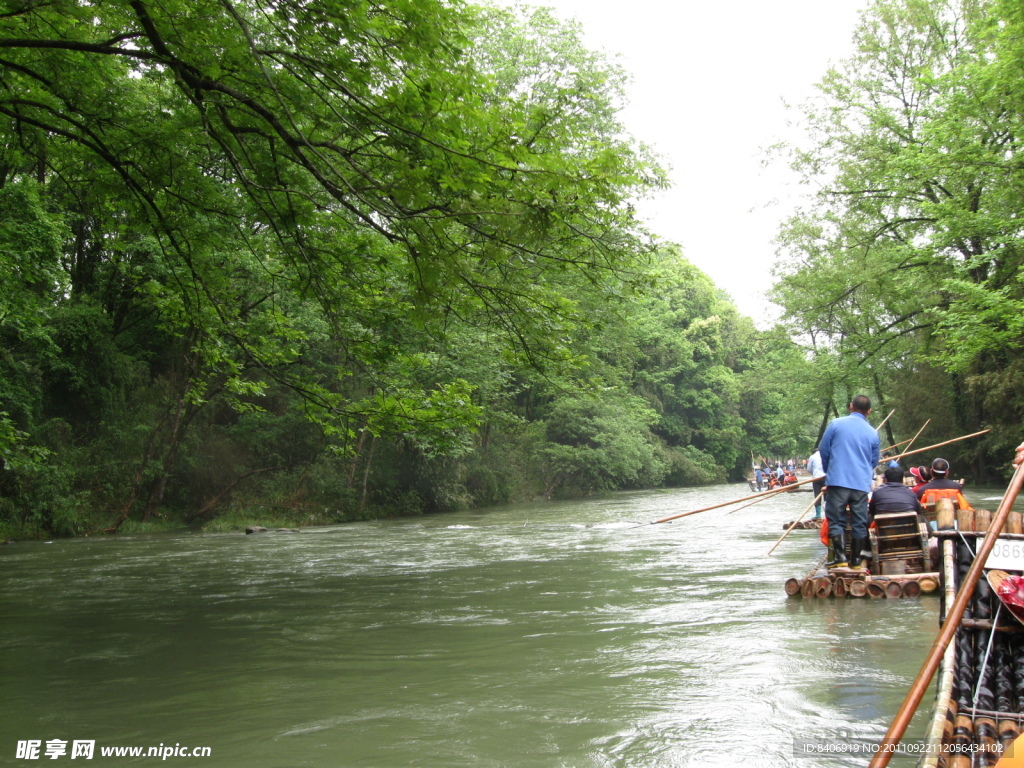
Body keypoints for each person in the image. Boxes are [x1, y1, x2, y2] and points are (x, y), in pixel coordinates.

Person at [819, 394, 881, 570]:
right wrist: (863, 472)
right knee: (859, 522)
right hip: (861, 484)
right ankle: (855, 560)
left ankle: (840, 558)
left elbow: (824, 450)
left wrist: (828, 470)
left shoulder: (836, 424)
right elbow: (874, 460)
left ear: (851, 406)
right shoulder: (873, 433)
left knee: (836, 520)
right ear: (869, 411)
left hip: (838, 481)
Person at [807, 448, 825, 519]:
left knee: (817, 495)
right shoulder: (825, 454)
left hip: (816, 478)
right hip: (825, 477)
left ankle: (818, 515)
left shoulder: (812, 457)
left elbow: (809, 469)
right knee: (827, 496)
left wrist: (814, 473)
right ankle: (827, 515)